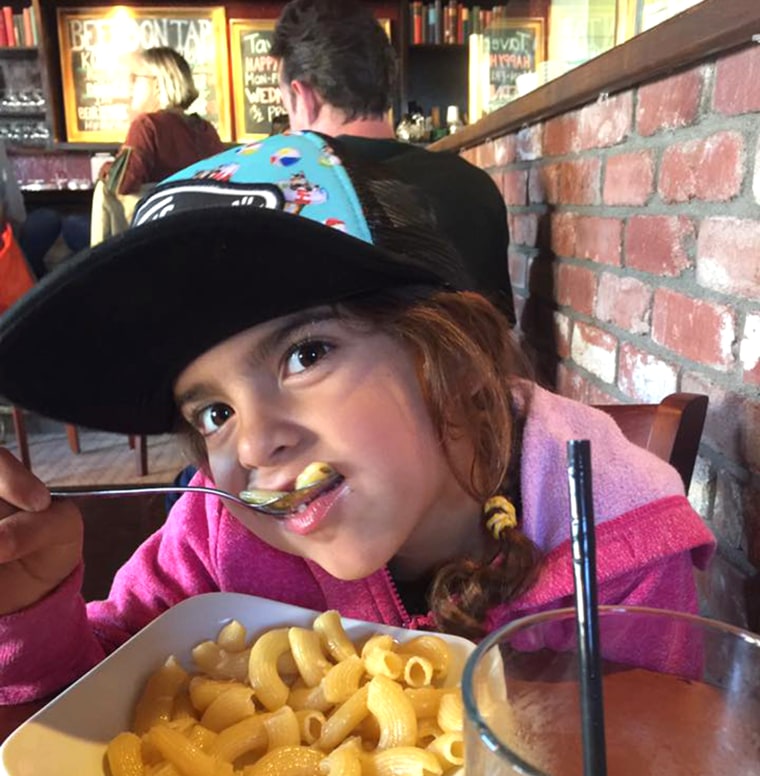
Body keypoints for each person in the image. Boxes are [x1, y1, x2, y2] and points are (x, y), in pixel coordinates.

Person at [0, 131, 714, 705]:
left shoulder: (620, 554)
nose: (252, 441)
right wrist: (27, 611)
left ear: (453, 355)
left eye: (305, 354)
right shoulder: (213, 538)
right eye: (214, 411)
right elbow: (93, 703)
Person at [271, 0, 517, 328]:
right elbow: (502, 330)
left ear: (303, 96)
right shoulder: (473, 184)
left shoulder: (292, 194)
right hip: (480, 375)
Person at [100, 45, 224, 197]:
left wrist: (107, 169)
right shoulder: (206, 129)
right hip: (202, 218)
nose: (130, 86)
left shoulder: (146, 126)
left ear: (158, 83)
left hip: (160, 218)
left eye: (135, 78)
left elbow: (122, 183)